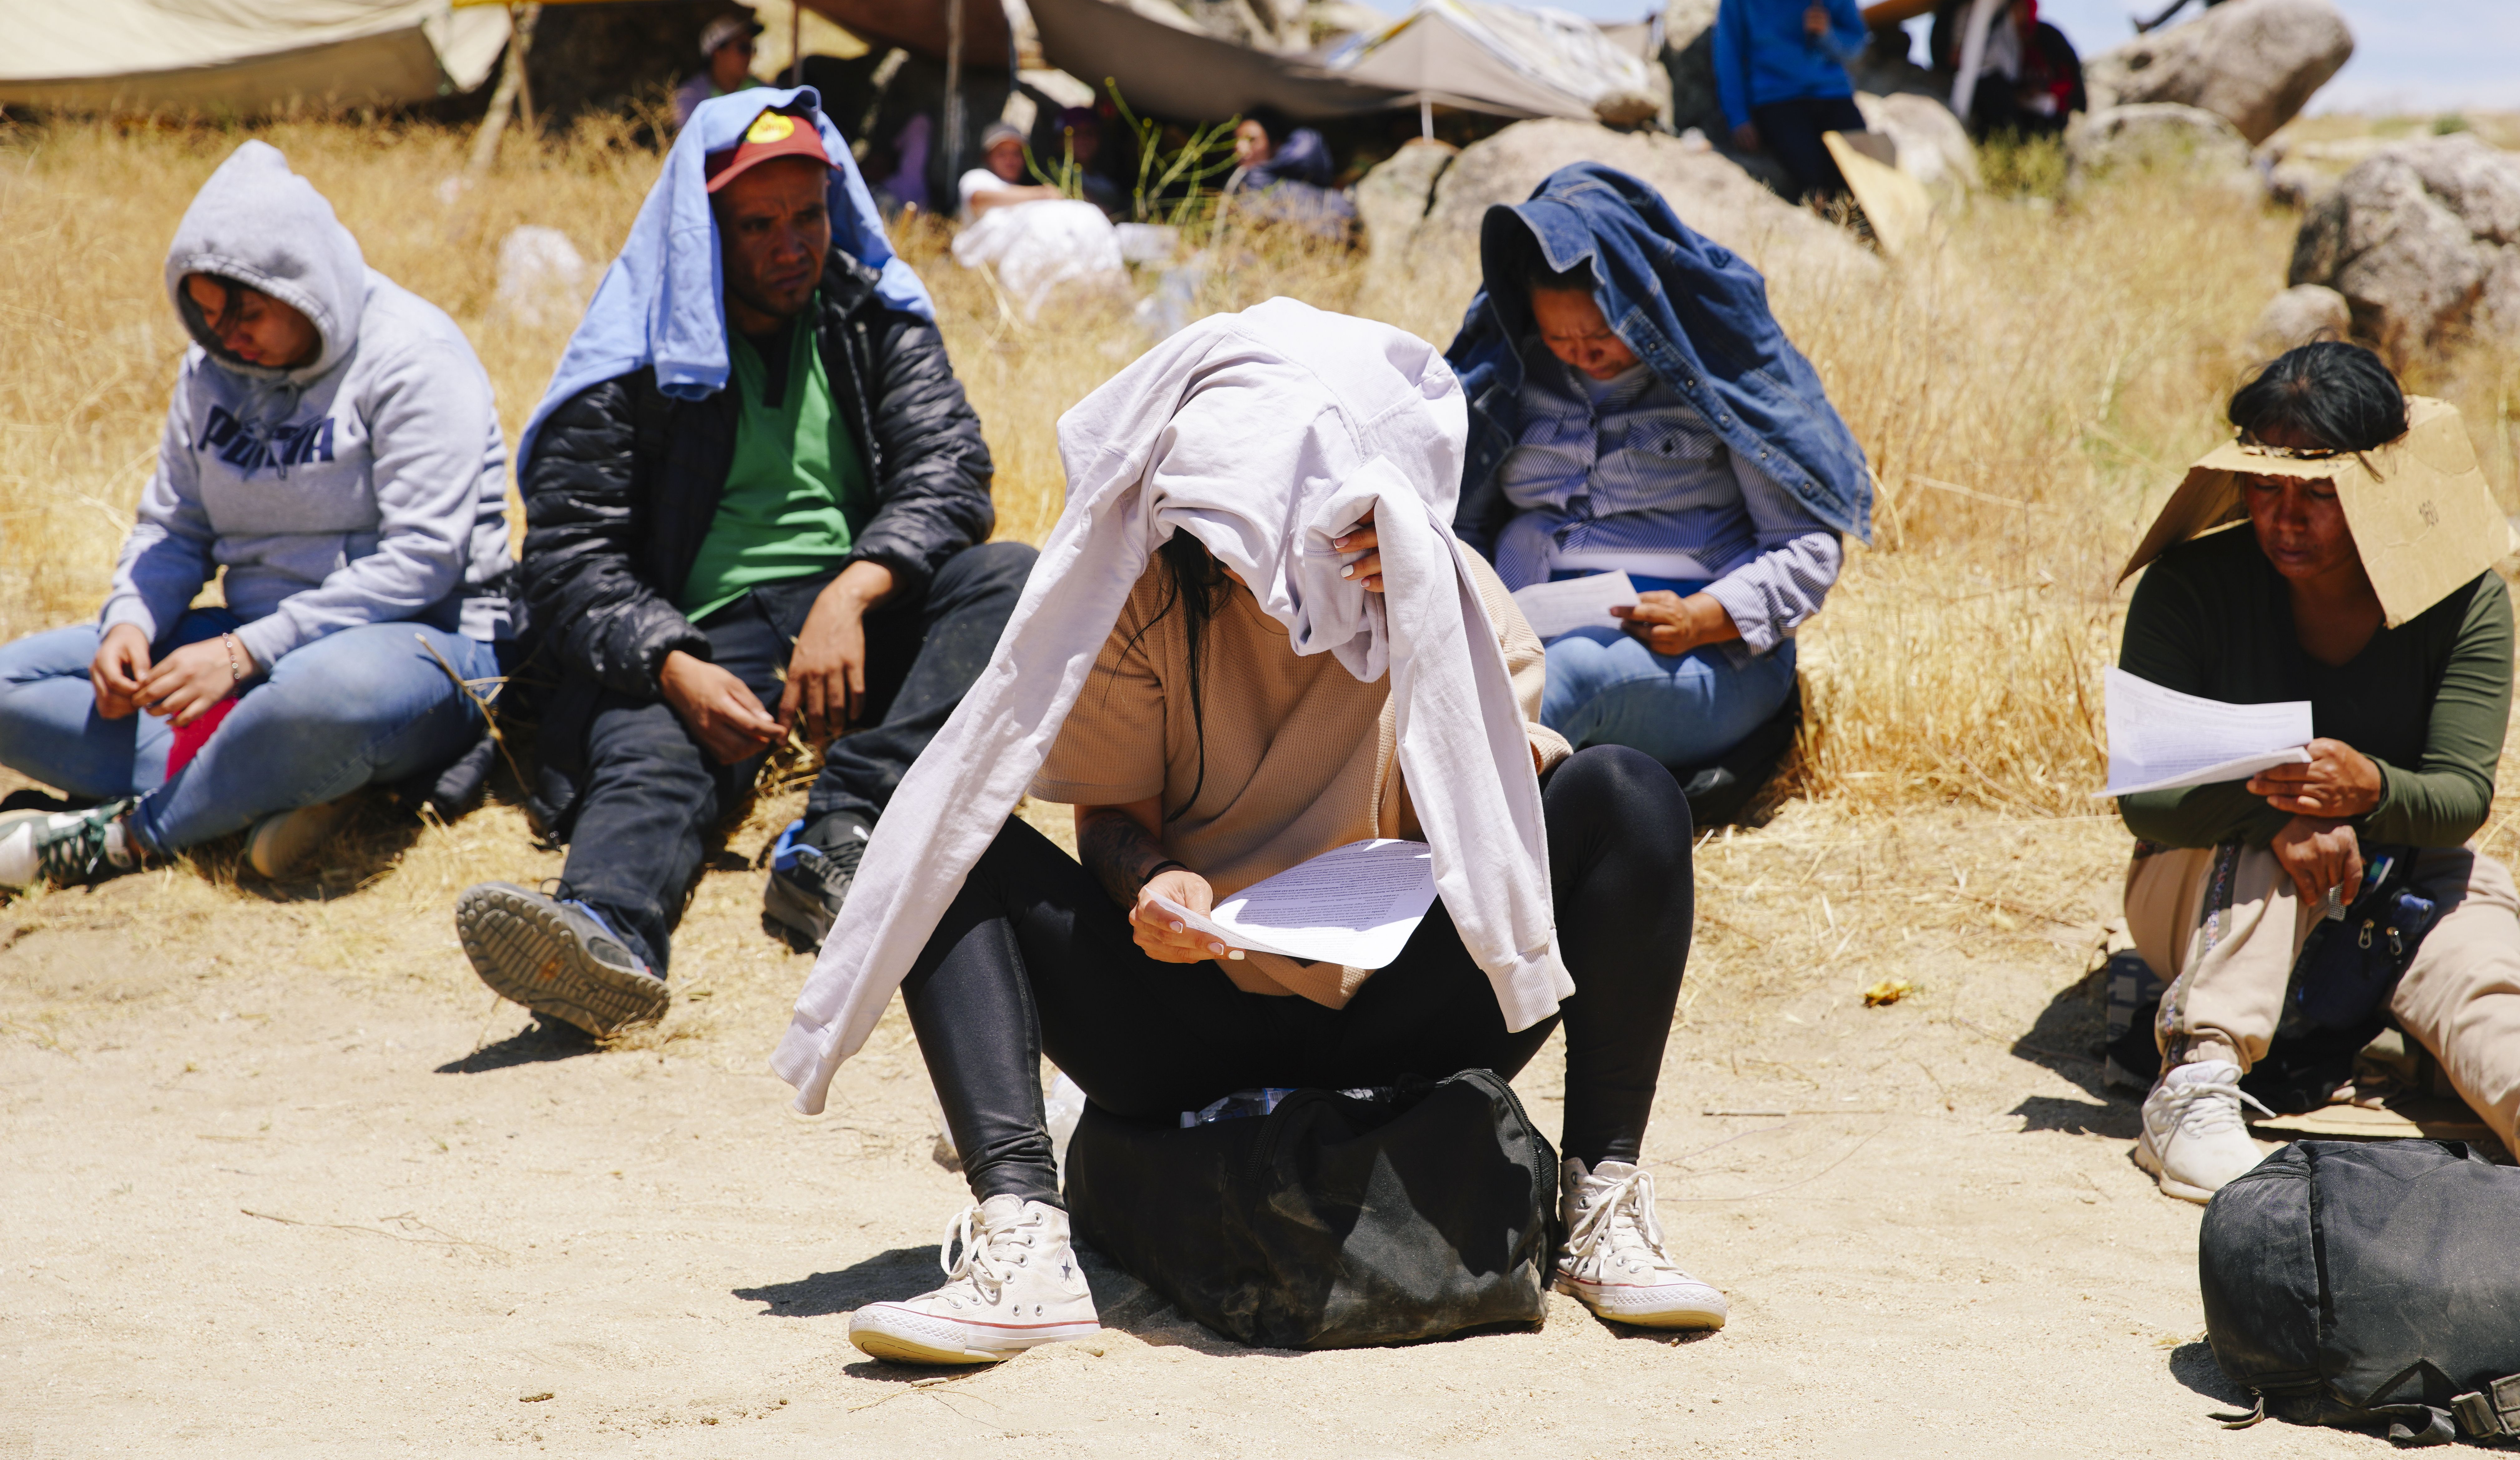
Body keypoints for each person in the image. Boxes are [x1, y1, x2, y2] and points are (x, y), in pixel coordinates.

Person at [772, 298, 1726, 1364]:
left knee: (1633, 794)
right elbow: (1115, 818)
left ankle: (1603, 1204)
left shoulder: (1443, 586)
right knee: (952, 836)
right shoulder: (1138, 593)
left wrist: (1421, 636)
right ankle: (1023, 1240)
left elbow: (1500, 805)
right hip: (1191, 1016)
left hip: (1402, 1006)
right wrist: (1158, 882)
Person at [458, 90, 1031, 1039]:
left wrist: (855, 588)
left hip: (854, 617)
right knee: (649, 747)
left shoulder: (869, 312)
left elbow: (952, 470)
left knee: (1011, 578)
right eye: (757, 224)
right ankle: (605, 938)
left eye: (809, 215)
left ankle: (832, 836)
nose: (792, 244)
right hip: (697, 633)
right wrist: (673, 665)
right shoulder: (634, 350)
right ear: (704, 232)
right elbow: (569, 554)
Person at [2117, 340, 2520, 1201]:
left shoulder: (2465, 601)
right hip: (2203, 891)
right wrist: (2281, 814)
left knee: (2471, 923)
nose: (2283, 519)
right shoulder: (2189, 586)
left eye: (2318, 494)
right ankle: (2196, 1080)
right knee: (2276, 845)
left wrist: (2369, 788)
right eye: (2264, 488)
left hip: (2394, 886)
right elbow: (2147, 800)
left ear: (2382, 491)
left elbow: (2458, 797)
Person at [0, 143, 512, 890]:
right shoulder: (211, 370)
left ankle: (127, 837)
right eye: (207, 314)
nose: (228, 335)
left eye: (249, 312)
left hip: (415, 647)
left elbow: (422, 562)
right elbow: (174, 527)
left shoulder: (414, 354)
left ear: (308, 288)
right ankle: (281, 783)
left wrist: (245, 654)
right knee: (10, 685)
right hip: (252, 649)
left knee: (324, 697)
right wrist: (130, 623)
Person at [1445, 164, 1867, 784]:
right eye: (1558, 338)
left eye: (1599, 336)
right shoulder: (1508, 377)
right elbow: (1464, 527)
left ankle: (1449, 870)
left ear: (1639, 309)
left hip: (1708, 656)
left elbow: (1802, 551)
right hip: (1524, 636)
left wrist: (1702, 616)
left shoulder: (1719, 386)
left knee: (1571, 673)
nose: (1581, 353)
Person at [1713, 0, 1868, 202]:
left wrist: (1827, 34)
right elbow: (1727, 51)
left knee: (1864, 179)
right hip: (1777, 99)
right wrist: (1738, 116)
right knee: (1813, 182)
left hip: (1832, 94)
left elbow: (1856, 47)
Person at [951, 121, 1128, 321]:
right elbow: (978, 199)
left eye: (1016, 154)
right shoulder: (979, 178)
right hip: (997, 246)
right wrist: (1041, 194)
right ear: (987, 158)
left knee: (1086, 214)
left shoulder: (1026, 191)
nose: (1010, 160)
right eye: (1002, 154)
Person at [1965, 0, 2086, 139]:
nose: (2017, 15)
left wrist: (2044, 90)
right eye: (2014, 9)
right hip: (2022, 111)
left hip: (2054, 113)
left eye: (2022, 9)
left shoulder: (2048, 39)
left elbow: (2069, 79)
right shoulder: (2006, 43)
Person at [1227, 116, 1354, 238]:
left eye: (1252, 140)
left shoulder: (1267, 184)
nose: (1240, 148)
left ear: (1276, 146)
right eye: (1236, 140)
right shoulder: (1238, 184)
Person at [672, 9, 762, 132]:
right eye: (743, 48)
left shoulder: (767, 91)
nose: (750, 56)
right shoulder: (689, 97)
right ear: (718, 53)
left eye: (752, 48)